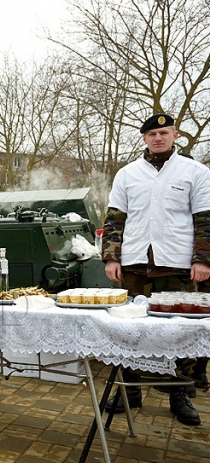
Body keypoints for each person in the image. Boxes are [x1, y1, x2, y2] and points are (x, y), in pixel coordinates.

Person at [102, 113, 210, 426]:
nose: (158, 138)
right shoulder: (127, 174)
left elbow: (205, 219)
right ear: (144, 138)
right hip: (134, 263)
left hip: (175, 265)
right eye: (152, 134)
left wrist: (202, 260)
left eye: (163, 132)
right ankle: (130, 391)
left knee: (179, 330)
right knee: (128, 329)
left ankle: (181, 394)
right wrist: (111, 257)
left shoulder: (195, 172)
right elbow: (114, 219)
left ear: (175, 135)